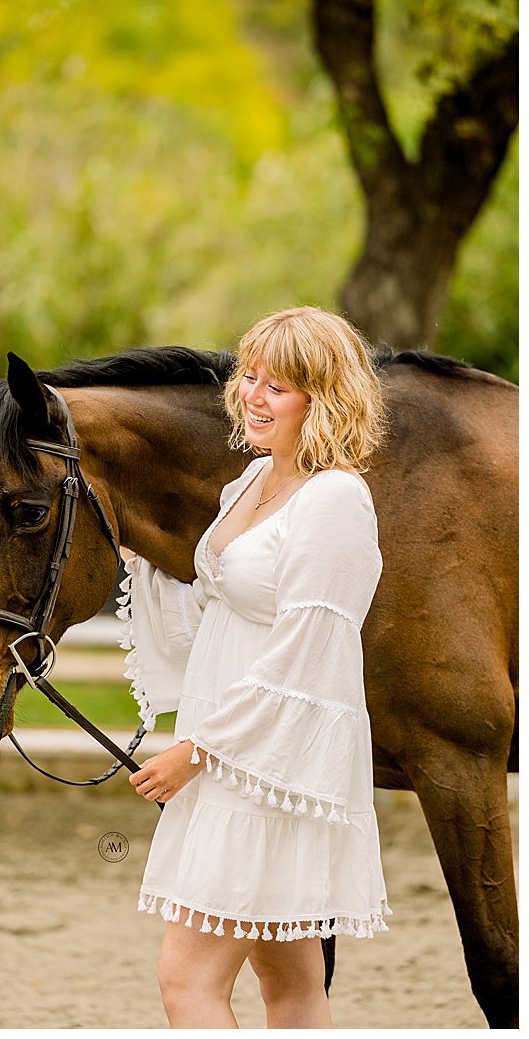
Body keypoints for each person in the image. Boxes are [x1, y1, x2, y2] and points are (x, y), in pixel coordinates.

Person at [119, 306, 389, 1027]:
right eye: (250, 375)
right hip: (237, 760)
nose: (253, 394)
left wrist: (196, 750)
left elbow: (308, 652)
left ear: (323, 398)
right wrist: (143, 564)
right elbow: (219, 620)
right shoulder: (248, 484)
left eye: (279, 385)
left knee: (187, 981)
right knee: (292, 985)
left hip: (266, 770)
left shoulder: (334, 500)